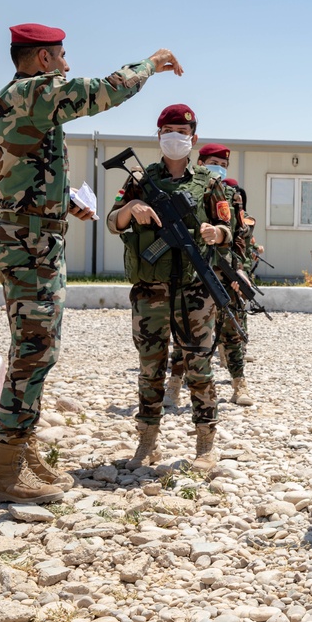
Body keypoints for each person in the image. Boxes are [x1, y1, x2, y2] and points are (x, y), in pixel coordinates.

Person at [0, 22, 181, 504]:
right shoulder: (35, 92)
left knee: (36, 347)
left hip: (23, 233)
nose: (67, 66)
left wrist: (61, 199)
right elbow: (105, 90)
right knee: (34, 349)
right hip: (31, 242)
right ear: (44, 59)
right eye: (62, 57)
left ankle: (21, 453)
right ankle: (6, 470)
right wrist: (151, 64)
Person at [107, 104, 233, 473]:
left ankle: (205, 446)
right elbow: (115, 221)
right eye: (168, 131)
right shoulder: (138, 180)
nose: (175, 137)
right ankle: (146, 443)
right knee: (150, 367)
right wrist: (133, 206)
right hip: (150, 291)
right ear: (159, 136)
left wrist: (216, 233)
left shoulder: (209, 183)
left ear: (193, 139)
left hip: (194, 291)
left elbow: (232, 230)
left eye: (182, 132)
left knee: (199, 366)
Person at [165, 144, 253, 408]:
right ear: (200, 162)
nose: (220, 168)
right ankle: (174, 386)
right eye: (214, 162)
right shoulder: (186, 189)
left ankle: (239, 384)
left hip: (223, 272)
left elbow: (241, 237)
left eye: (224, 164)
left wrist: (241, 271)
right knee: (183, 333)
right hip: (191, 272)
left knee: (231, 331)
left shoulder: (231, 195)